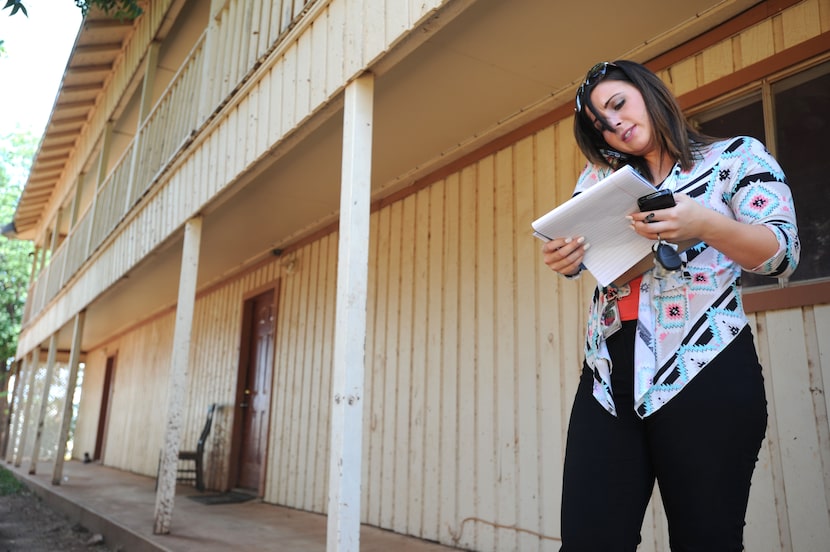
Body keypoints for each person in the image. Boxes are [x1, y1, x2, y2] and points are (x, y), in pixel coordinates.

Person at [541, 60, 800, 551]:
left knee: (707, 541)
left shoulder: (736, 157)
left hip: (705, 367)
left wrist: (703, 224)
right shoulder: (599, 179)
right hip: (607, 380)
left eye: (617, 104)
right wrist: (569, 258)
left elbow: (781, 255)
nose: (612, 123)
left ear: (649, 92)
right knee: (588, 541)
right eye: (600, 122)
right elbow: (606, 266)